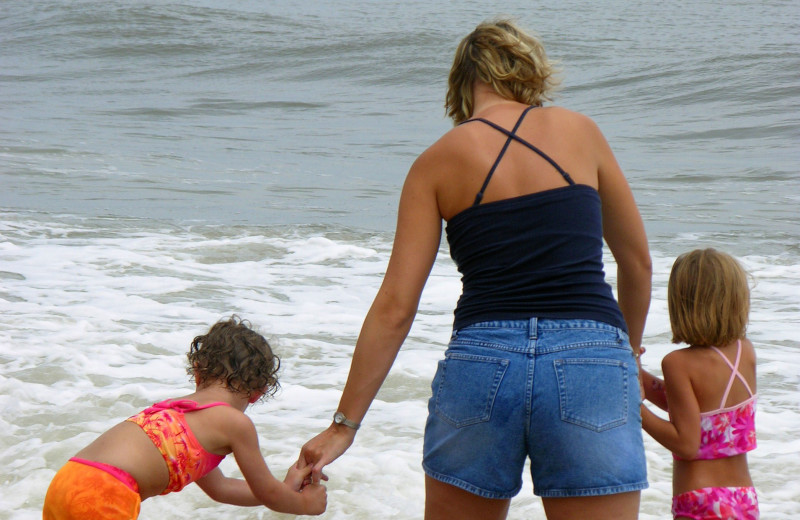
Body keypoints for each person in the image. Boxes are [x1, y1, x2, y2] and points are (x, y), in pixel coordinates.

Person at [298, 17, 652, 520]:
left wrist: (343, 425)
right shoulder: (581, 132)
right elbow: (636, 263)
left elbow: (396, 308)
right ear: (528, 71)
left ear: (463, 84)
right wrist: (629, 356)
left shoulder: (434, 163)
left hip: (482, 364)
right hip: (589, 357)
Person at [42, 316, 327, 519]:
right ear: (258, 392)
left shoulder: (179, 416)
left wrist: (285, 486)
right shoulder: (235, 423)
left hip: (68, 479)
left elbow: (222, 489)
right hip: (105, 492)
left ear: (199, 372)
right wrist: (305, 505)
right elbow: (270, 496)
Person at [640, 249, 758, 519]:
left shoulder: (678, 363)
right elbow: (699, 409)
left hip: (700, 500)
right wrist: (641, 377)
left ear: (682, 304)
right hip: (743, 497)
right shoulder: (745, 352)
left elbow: (686, 444)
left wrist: (636, 408)